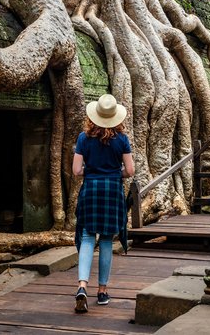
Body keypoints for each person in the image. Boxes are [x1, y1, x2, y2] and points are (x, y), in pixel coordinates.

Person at [72, 94, 135, 313]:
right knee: (107, 239)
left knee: (88, 236)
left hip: (90, 189)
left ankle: (82, 286)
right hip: (112, 189)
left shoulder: (83, 138)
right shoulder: (122, 139)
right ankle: (102, 291)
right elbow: (130, 170)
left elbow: (76, 171)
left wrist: (91, 171)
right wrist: (115, 173)